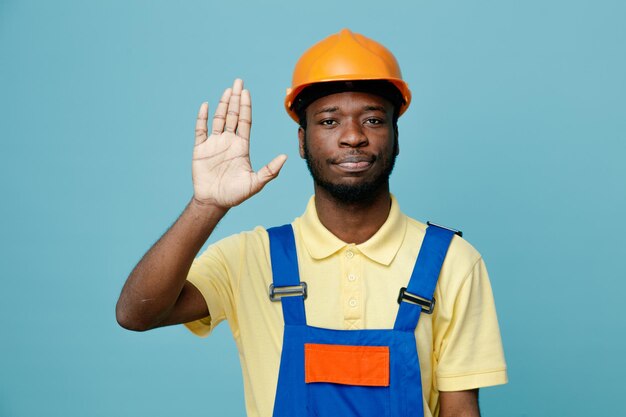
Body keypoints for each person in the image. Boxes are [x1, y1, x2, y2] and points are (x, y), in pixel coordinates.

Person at [116, 29, 507, 417]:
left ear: (396, 136)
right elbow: (136, 314)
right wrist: (206, 205)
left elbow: (459, 411)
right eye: (329, 122)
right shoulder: (252, 258)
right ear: (302, 141)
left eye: (372, 120)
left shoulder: (452, 262)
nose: (353, 137)